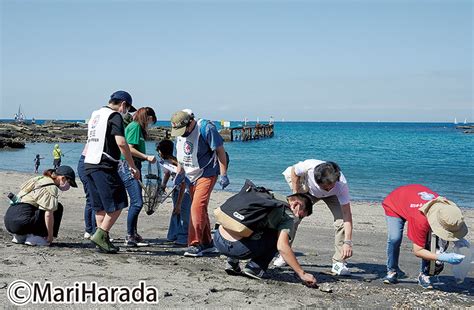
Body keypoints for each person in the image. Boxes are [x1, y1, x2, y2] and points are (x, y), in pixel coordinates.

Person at [214, 192, 317, 286]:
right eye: (300, 216)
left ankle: (232, 262)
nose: (298, 219)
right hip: (238, 248)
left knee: (249, 223)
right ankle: (255, 268)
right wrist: (302, 273)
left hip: (218, 238)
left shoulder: (265, 194)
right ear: (296, 204)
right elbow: (282, 247)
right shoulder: (288, 215)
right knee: (278, 237)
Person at [84, 90, 140, 254]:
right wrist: (132, 165)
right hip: (104, 165)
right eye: (127, 109)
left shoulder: (96, 114)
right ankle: (101, 235)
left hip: (89, 163)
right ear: (123, 104)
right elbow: (121, 143)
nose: (126, 113)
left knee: (100, 205)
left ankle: (102, 240)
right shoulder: (114, 116)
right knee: (119, 202)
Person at [382, 184, 468, 289]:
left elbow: (450, 223)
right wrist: (442, 257)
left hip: (411, 201)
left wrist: (458, 238)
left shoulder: (447, 208)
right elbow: (418, 251)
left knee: (431, 241)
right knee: (394, 238)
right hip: (394, 204)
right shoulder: (420, 220)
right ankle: (392, 271)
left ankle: (424, 275)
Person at [277, 159, 353, 276]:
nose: (328, 189)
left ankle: (338, 263)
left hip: (333, 197)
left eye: (331, 186)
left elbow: (347, 214)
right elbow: (294, 171)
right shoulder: (309, 167)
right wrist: (296, 195)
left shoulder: (341, 185)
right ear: (317, 181)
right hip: (309, 193)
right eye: (325, 187)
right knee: (293, 218)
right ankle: (284, 255)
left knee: (341, 222)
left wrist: (347, 242)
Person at [170, 110, 229, 257]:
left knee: (196, 207)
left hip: (207, 172)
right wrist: (179, 174)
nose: (182, 134)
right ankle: (208, 243)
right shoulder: (179, 135)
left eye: (184, 130)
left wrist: (223, 174)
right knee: (200, 208)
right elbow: (180, 158)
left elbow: (220, 151)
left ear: (191, 123)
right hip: (190, 175)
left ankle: (194, 244)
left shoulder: (206, 129)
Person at [4, 166, 77, 246]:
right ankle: (36, 238)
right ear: (63, 178)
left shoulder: (39, 179)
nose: (69, 186)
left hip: (9, 220)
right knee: (57, 207)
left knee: (35, 207)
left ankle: (20, 236)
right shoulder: (51, 187)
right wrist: (50, 235)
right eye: (69, 182)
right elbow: (48, 214)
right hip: (23, 222)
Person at [117, 107, 157, 246]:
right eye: (151, 120)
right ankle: (129, 235)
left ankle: (133, 233)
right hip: (128, 165)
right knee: (137, 202)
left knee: (136, 201)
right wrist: (146, 157)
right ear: (147, 117)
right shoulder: (135, 127)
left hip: (133, 165)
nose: (150, 124)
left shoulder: (136, 127)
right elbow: (130, 148)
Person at [157, 139, 191, 246]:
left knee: (183, 212)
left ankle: (184, 237)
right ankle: (173, 234)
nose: (158, 153)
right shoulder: (168, 161)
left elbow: (183, 183)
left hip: (184, 191)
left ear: (162, 152)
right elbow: (167, 174)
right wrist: (163, 185)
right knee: (176, 212)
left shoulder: (175, 163)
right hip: (176, 190)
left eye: (159, 151)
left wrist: (179, 203)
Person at [77, 144, 96, 239]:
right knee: (94, 200)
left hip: (88, 162)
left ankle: (90, 230)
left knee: (92, 200)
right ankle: (92, 231)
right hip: (88, 163)